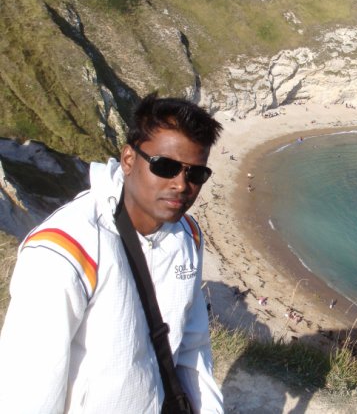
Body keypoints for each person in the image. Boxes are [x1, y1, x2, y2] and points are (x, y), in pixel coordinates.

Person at [0, 93, 224, 413]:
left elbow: (193, 346)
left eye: (196, 173)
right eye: (166, 166)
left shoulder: (188, 235)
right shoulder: (63, 251)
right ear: (129, 159)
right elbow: (29, 394)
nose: (181, 184)